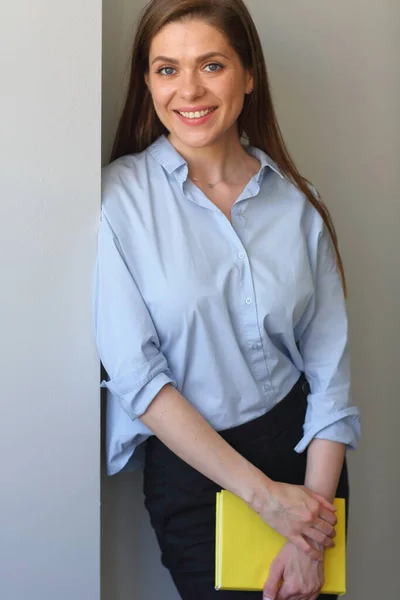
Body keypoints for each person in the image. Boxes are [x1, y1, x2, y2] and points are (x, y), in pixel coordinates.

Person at [95, 0, 361, 598]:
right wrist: (269, 502)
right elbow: (138, 380)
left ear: (248, 74)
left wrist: (308, 527)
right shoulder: (119, 201)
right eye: (167, 69)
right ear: (147, 81)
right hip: (195, 476)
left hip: (310, 466)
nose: (188, 89)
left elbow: (330, 378)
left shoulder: (298, 202)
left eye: (211, 65)